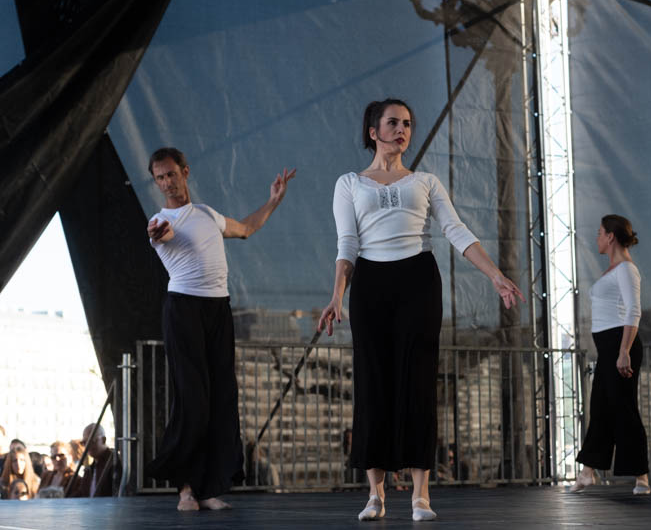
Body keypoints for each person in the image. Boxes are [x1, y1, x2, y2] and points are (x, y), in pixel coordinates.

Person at [317, 98, 523, 522]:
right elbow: (347, 244)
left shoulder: (426, 181)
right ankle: (375, 494)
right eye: (393, 123)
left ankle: (420, 496)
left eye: (408, 123)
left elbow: (455, 229)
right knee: (373, 382)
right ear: (373, 131)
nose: (402, 130)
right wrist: (337, 295)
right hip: (371, 283)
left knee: (418, 382)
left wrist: (495, 275)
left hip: (418, 281)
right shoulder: (349, 183)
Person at [144, 147, 295, 511]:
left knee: (221, 399)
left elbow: (246, 228)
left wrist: (273, 201)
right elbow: (159, 234)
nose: (166, 182)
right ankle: (185, 488)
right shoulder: (160, 220)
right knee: (193, 400)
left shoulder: (207, 214)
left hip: (218, 310)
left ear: (185, 172)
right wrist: (157, 233)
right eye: (159, 178)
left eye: (171, 174)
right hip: (184, 310)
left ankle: (208, 488)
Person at [570, 215, 650, 495]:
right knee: (601, 407)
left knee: (623, 407)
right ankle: (587, 472)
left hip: (621, 343)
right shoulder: (614, 270)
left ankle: (641, 476)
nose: (597, 238)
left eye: (599, 232)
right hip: (608, 347)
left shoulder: (627, 269)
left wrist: (624, 351)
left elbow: (633, 310)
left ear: (611, 236)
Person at [76, 424, 119, 497]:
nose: (87, 445)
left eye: (92, 441)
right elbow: (82, 493)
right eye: (84, 442)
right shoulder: (91, 467)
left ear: (103, 440)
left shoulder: (114, 463)